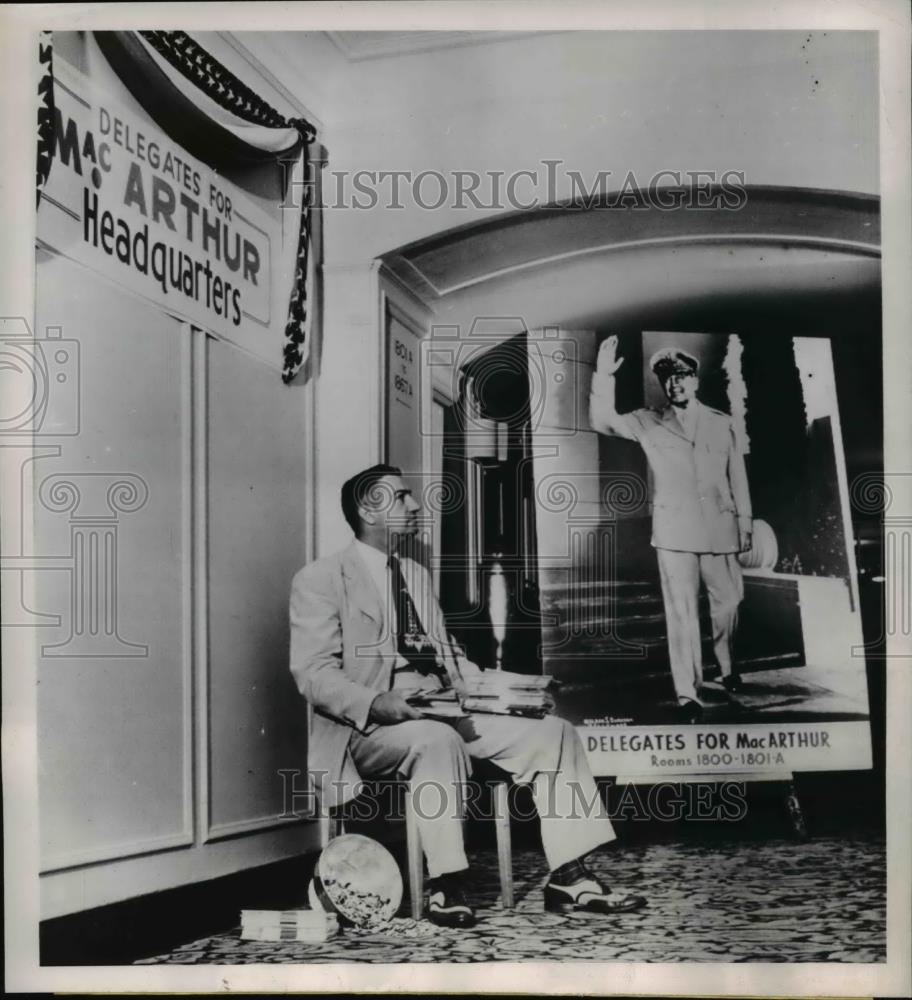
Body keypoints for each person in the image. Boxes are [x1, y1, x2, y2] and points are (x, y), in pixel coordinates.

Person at [289, 463, 646, 928]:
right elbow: (313, 673)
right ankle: (447, 882)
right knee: (436, 740)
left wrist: (515, 689)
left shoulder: (415, 575)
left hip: (441, 708)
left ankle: (569, 875)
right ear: (368, 510)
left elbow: (451, 659)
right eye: (401, 497)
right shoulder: (321, 578)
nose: (415, 505)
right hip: (369, 726)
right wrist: (378, 703)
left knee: (553, 733)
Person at [589, 337, 753, 722]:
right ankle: (688, 694)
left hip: (720, 526)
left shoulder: (721, 422)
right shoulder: (647, 421)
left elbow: (737, 475)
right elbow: (602, 421)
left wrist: (745, 521)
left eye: (681, 376)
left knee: (729, 602)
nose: (674, 383)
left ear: (694, 380)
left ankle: (727, 666)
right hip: (675, 530)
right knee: (681, 613)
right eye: (667, 378)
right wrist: (604, 376)